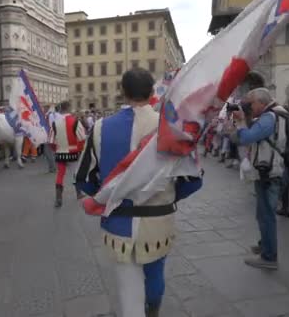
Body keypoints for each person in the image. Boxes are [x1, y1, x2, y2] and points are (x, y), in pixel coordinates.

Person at [75, 68, 202, 317]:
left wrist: (103, 192)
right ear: (152, 92)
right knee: (155, 274)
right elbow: (193, 180)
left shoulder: (100, 127)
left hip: (118, 222)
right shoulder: (173, 129)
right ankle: (152, 310)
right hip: (159, 220)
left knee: (128, 288)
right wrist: (166, 196)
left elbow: (84, 179)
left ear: (123, 93)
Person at [230, 88, 288, 270]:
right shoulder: (276, 115)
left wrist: (240, 123)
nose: (250, 107)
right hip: (270, 169)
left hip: (269, 172)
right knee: (263, 213)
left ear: (262, 102)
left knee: (266, 215)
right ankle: (265, 245)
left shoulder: (269, 117)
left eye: (252, 103)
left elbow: (247, 137)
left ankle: (269, 257)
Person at [51, 101, 86, 207]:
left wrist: (56, 149)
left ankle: (58, 198)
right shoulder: (75, 121)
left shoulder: (54, 123)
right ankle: (79, 193)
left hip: (60, 152)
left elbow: (51, 141)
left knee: (60, 174)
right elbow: (82, 138)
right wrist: (80, 150)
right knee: (76, 173)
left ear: (61, 109)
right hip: (73, 152)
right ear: (69, 108)